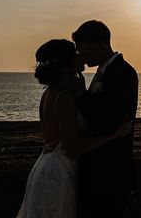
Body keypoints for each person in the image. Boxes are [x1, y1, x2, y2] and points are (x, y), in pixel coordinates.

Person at [17, 39, 132, 218]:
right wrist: (113, 135)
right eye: (75, 54)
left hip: (46, 165)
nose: (81, 56)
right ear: (66, 64)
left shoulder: (50, 92)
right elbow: (73, 148)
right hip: (59, 174)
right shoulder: (64, 97)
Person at [73, 20, 139, 218]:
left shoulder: (124, 73)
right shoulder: (103, 72)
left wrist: (80, 95)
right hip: (95, 171)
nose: (82, 57)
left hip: (111, 172)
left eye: (84, 51)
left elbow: (108, 121)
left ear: (100, 44)